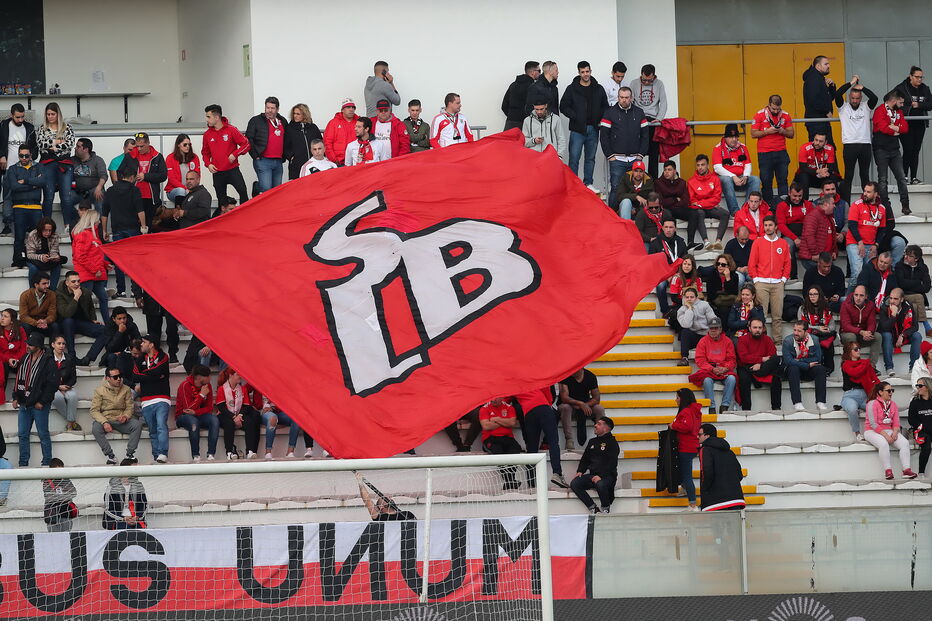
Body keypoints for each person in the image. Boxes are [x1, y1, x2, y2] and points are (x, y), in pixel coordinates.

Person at [101, 157, 146, 298]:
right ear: (132, 177)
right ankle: (134, 290)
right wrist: (143, 227)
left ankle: (121, 290)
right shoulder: (134, 190)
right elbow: (140, 211)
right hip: (133, 229)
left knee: (119, 261)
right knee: (134, 261)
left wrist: (104, 230)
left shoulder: (110, 190)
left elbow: (104, 213)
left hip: (117, 229)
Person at [561, 61, 608, 190]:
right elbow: (563, 106)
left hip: (594, 129)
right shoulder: (572, 88)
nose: (585, 74)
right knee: (574, 158)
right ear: (579, 73)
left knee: (590, 158)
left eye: (587, 71)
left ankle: (588, 184)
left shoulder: (598, 88)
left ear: (590, 71)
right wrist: (575, 116)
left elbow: (605, 106)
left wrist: (600, 119)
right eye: (582, 72)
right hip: (577, 130)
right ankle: (573, 185)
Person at [599, 86, 648, 212]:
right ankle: (612, 216)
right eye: (621, 97)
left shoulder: (639, 112)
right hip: (617, 159)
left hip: (635, 159)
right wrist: (610, 155)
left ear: (631, 98)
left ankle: (635, 216)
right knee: (615, 187)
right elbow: (604, 136)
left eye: (626, 97)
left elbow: (645, 135)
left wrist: (641, 154)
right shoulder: (609, 113)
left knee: (637, 188)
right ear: (618, 97)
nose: (624, 100)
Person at [14, 331, 57, 466]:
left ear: (38, 346)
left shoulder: (48, 361)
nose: (28, 346)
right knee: (22, 435)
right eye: (28, 343)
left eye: (31, 345)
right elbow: (18, 379)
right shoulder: (24, 358)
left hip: (39, 405)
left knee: (43, 434)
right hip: (24, 403)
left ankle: (46, 463)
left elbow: (52, 384)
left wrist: (42, 401)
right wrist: (15, 397)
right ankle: (23, 463)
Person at [835, 76, 878, 204]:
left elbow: (875, 98)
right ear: (849, 97)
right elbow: (837, 94)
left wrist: (862, 88)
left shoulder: (866, 106)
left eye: (857, 98)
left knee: (864, 175)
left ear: (861, 98)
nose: (854, 100)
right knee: (848, 176)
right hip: (849, 145)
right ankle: (846, 205)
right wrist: (851, 83)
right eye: (852, 98)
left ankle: (867, 204)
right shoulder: (843, 107)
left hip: (865, 145)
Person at [749, 215, 791, 342]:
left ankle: (777, 341)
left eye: (770, 225)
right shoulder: (758, 242)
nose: (767, 228)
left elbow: (787, 263)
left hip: (778, 283)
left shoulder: (783, 243)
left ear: (776, 227)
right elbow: (752, 262)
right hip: (761, 283)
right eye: (766, 225)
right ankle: (762, 340)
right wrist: (756, 279)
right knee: (761, 316)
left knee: (777, 315)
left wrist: (783, 279)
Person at [514, 387, 567, 488]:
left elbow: (504, 396)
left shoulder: (514, 382)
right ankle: (557, 473)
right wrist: (548, 403)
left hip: (528, 412)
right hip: (543, 406)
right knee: (553, 442)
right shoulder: (533, 378)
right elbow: (546, 388)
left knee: (532, 448)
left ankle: (531, 481)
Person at [864, 382, 917, 480]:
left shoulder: (893, 404)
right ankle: (888, 471)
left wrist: (895, 433)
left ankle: (906, 470)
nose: (891, 393)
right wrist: (886, 436)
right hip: (871, 431)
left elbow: (896, 422)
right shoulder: (872, 403)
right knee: (883, 444)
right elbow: (873, 424)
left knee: (904, 443)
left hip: (889, 430)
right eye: (888, 391)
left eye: (892, 390)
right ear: (880, 392)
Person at [3, 144, 45, 268]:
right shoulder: (12, 169)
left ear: (31, 155)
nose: (24, 158)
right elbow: (14, 187)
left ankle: (36, 260)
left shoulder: (39, 166)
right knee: (19, 237)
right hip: (19, 207)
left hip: (36, 207)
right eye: (21, 156)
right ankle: (18, 260)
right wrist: (34, 184)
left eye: (26, 156)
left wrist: (25, 181)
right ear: (18, 155)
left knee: (37, 236)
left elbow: (43, 181)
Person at [202, 104, 250, 206]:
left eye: (208, 117)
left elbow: (246, 144)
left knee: (242, 191)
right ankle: (224, 215)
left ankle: (245, 213)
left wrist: (235, 154)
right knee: (221, 200)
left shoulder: (231, 129)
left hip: (232, 170)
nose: (206, 119)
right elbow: (205, 153)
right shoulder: (207, 134)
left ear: (216, 117)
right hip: (217, 172)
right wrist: (208, 164)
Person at [90, 366, 140, 464]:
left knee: (137, 425)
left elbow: (130, 407)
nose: (119, 379)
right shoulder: (99, 390)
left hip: (121, 420)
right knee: (96, 428)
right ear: (107, 378)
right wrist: (104, 422)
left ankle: (129, 454)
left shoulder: (126, 389)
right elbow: (94, 410)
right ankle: (110, 456)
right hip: (106, 419)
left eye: (120, 376)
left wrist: (125, 416)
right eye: (115, 377)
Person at [751, 95, 795, 206]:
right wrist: (767, 132)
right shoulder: (759, 114)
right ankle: (768, 207)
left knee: (783, 180)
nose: (775, 111)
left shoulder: (785, 115)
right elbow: (753, 133)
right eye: (773, 109)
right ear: (769, 105)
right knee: (766, 181)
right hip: (764, 153)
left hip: (781, 152)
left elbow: (791, 134)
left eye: (778, 109)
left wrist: (782, 131)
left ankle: (783, 206)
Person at [872, 90, 911, 215]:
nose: (902, 105)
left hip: (894, 150)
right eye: (901, 102)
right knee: (883, 180)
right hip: (881, 149)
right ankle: (885, 206)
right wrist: (895, 129)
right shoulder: (879, 110)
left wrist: (894, 127)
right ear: (894, 100)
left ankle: (905, 205)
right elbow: (882, 127)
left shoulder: (899, 112)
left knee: (902, 178)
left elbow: (905, 128)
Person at [133, 334, 170, 463]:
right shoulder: (140, 359)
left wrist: (145, 375)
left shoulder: (163, 356)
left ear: (151, 344)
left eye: (144, 342)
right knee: (153, 431)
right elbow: (135, 376)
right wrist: (154, 376)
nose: (141, 344)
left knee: (161, 426)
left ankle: (163, 453)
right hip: (146, 400)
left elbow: (159, 370)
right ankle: (156, 457)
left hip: (161, 398)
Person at [0, 105, 37, 234]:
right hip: (9, 168)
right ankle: (7, 224)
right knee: (8, 196)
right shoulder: (3, 125)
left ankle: (27, 225)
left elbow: (34, 147)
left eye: (22, 117)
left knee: (26, 196)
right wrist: (1, 155)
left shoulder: (29, 128)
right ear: (11, 115)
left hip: (25, 168)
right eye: (18, 117)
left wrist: (32, 156)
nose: (21, 120)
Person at [56, 271, 106, 365]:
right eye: (73, 281)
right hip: (65, 324)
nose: (77, 284)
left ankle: (88, 358)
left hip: (81, 323)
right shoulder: (59, 294)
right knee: (68, 321)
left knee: (105, 330)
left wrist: (93, 319)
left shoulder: (85, 291)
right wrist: (76, 297)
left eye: (78, 281)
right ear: (67, 283)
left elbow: (90, 307)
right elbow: (66, 314)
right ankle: (72, 356)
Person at [689, 317, 737, 414]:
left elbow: (732, 359)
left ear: (720, 329)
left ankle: (725, 406)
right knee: (707, 381)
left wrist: (725, 368)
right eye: (711, 328)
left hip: (723, 369)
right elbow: (700, 359)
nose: (713, 330)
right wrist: (712, 369)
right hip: (709, 370)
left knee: (732, 379)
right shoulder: (703, 341)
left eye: (716, 328)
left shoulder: (727, 341)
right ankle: (711, 407)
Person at [35, 102, 75, 221]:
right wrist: (57, 141)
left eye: (53, 114)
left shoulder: (67, 127)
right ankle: (46, 224)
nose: (50, 116)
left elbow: (70, 144)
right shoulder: (42, 128)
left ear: (58, 114)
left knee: (66, 197)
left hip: (64, 163)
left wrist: (54, 147)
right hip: (47, 164)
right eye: (48, 114)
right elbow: (41, 144)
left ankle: (68, 225)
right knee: (48, 196)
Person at [571, 417, 619, 514]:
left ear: (606, 428)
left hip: (607, 476)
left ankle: (605, 508)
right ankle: (593, 507)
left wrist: (601, 476)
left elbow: (612, 463)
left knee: (600, 484)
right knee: (575, 483)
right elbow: (585, 458)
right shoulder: (592, 442)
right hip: (592, 476)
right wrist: (580, 471)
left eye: (599, 424)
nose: (595, 425)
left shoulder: (612, 443)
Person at [627, 64, 667, 178]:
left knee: (654, 153)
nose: (646, 82)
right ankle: (635, 179)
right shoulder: (634, 83)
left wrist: (659, 119)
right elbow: (630, 102)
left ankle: (652, 181)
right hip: (639, 119)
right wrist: (632, 118)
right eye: (644, 80)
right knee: (637, 152)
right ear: (641, 75)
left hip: (653, 121)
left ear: (654, 76)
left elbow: (664, 103)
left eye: (649, 80)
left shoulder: (659, 84)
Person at [712, 124, 761, 214]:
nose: (734, 139)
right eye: (731, 137)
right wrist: (733, 176)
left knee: (755, 179)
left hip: (741, 178)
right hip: (726, 181)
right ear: (725, 137)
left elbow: (748, 164)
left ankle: (747, 210)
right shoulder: (718, 148)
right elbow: (717, 168)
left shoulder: (742, 147)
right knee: (726, 180)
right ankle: (735, 212)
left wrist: (746, 176)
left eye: (735, 137)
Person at [845, 181, 885, 291]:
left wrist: (876, 245)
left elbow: (882, 230)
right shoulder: (856, 205)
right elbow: (852, 225)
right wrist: (860, 242)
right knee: (857, 273)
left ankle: (864, 299)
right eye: (865, 191)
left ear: (876, 194)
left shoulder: (882, 208)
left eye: (868, 192)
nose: (865, 194)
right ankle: (849, 299)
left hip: (871, 245)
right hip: (854, 243)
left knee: (869, 275)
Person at [70, 204, 108, 320]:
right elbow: (80, 256)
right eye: (97, 220)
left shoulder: (93, 234)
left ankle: (108, 324)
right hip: (87, 273)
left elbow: (95, 254)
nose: (99, 222)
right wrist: (95, 269)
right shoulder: (83, 234)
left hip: (96, 273)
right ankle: (88, 323)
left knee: (104, 298)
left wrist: (105, 264)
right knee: (86, 301)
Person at [736, 317, 782, 412]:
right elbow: (744, 357)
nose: (757, 330)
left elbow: (772, 355)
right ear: (749, 328)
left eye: (760, 328)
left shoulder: (767, 339)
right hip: (748, 368)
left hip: (763, 367)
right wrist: (761, 359)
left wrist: (760, 364)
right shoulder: (742, 340)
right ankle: (746, 409)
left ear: (763, 328)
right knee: (743, 377)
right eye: (755, 327)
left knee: (776, 361)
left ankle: (776, 408)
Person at [698, 423, 746, 511]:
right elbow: (739, 474)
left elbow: (706, 472)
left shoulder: (705, 450)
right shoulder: (729, 451)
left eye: (700, 434)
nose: (697, 437)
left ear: (707, 436)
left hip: (715, 502)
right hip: (736, 498)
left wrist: (705, 490)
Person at [896, 66, 932, 184]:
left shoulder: (925, 88)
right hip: (906, 123)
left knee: (916, 150)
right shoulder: (902, 87)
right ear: (910, 76)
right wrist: (907, 105)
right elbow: (890, 100)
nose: (919, 79)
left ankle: (914, 177)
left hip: (920, 123)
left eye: (921, 77)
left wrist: (919, 105)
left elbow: (930, 104)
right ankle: (904, 177)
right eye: (917, 77)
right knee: (908, 149)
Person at [783, 319, 828, 412]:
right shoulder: (788, 341)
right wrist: (806, 365)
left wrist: (800, 360)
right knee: (793, 368)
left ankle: (820, 402)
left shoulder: (814, 339)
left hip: (808, 369)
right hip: (794, 370)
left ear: (806, 332)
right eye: (794, 330)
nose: (796, 333)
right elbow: (788, 361)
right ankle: (797, 403)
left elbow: (818, 358)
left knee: (820, 369)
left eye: (799, 331)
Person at [215, 367, 261, 460]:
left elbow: (247, 406)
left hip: (239, 415)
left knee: (249, 422)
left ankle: (250, 451)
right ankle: (229, 452)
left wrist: (239, 415)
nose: (240, 376)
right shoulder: (222, 389)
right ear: (231, 375)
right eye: (238, 374)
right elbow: (221, 407)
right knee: (229, 423)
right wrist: (233, 417)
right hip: (225, 415)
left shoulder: (242, 389)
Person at [175, 364, 218, 462]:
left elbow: (209, 408)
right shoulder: (185, 385)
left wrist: (196, 412)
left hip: (198, 415)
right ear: (199, 377)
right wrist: (201, 395)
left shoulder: (207, 386)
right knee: (193, 422)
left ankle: (211, 454)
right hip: (182, 417)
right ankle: (196, 455)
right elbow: (187, 409)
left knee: (214, 420)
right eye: (207, 376)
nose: (210, 378)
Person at [244, 96, 287, 194]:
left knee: (276, 190)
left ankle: (271, 205)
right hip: (263, 160)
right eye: (267, 108)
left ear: (277, 109)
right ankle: (257, 187)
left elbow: (287, 139)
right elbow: (248, 138)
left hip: (278, 161)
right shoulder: (256, 120)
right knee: (266, 188)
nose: (269, 110)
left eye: (272, 108)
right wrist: (255, 155)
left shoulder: (283, 121)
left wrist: (285, 155)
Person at [669, 388, 702, 511]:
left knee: (687, 476)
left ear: (683, 398)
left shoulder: (686, 411)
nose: (676, 400)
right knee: (683, 471)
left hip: (686, 447)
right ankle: (683, 488)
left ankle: (693, 504)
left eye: (677, 397)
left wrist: (673, 425)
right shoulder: (694, 411)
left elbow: (687, 426)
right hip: (691, 446)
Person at [478, 397, 522, 489]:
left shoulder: (509, 407)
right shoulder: (484, 408)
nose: (493, 400)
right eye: (491, 398)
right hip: (490, 439)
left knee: (516, 449)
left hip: (507, 438)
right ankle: (510, 480)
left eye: (495, 398)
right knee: (498, 451)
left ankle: (509, 481)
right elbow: (486, 426)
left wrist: (496, 419)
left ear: (501, 397)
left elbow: (512, 423)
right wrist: (504, 422)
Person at [878, 288, 923, 378]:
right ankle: (889, 368)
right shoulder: (884, 307)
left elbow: (915, 326)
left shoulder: (908, 306)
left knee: (917, 336)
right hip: (889, 335)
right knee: (886, 335)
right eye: (891, 298)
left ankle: (913, 368)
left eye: (895, 299)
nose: (892, 301)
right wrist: (893, 315)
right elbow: (884, 328)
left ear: (902, 299)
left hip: (903, 335)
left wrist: (903, 335)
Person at [687, 154, 728, 251]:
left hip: (710, 208)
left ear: (708, 165)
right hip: (702, 209)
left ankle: (718, 241)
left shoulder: (715, 179)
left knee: (725, 214)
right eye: (698, 165)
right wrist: (707, 203)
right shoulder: (691, 181)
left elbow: (716, 198)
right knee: (698, 213)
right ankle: (706, 241)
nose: (700, 167)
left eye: (703, 165)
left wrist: (701, 203)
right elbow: (693, 201)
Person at [655, 160, 699, 249]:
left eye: (669, 170)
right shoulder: (658, 182)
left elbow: (685, 200)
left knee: (694, 213)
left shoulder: (682, 182)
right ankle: (671, 243)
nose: (666, 172)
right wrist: (675, 199)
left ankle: (690, 242)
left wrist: (671, 203)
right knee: (668, 214)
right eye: (665, 170)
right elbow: (661, 202)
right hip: (666, 210)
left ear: (674, 171)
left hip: (678, 208)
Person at [648, 218, 688, 316]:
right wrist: (667, 276)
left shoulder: (681, 242)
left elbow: (685, 260)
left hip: (678, 272)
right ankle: (665, 311)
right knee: (661, 286)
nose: (668, 230)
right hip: (662, 274)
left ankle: (686, 309)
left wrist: (678, 273)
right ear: (662, 228)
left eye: (671, 227)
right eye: (666, 227)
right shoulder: (655, 243)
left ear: (675, 228)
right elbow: (652, 264)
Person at [558, 367, 605, 451]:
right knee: (566, 407)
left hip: (586, 405)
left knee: (599, 409)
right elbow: (564, 398)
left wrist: (585, 405)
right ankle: (569, 440)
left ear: (581, 368)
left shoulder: (590, 376)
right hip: (570, 405)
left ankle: (601, 438)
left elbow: (596, 398)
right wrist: (580, 404)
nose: (572, 371)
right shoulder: (565, 375)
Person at [840, 341, 878, 442]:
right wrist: (866, 363)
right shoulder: (846, 364)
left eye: (859, 349)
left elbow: (874, 378)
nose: (858, 351)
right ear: (849, 351)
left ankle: (878, 431)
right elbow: (854, 373)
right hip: (850, 395)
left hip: (865, 395)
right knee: (852, 409)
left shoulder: (864, 363)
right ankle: (857, 433)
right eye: (855, 349)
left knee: (877, 408)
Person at [127, 133, 167, 226]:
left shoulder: (157, 156)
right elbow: (121, 172)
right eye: (137, 146)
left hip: (150, 197)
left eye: (142, 146)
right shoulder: (130, 156)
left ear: (148, 143)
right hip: (134, 195)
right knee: (134, 224)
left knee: (149, 224)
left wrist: (146, 176)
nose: (139, 149)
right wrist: (130, 178)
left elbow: (163, 176)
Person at [775, 183, 812, 279]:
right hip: (789, 236)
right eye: (794, 196)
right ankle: (792, 276)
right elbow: (781, 225)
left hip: (805, 235)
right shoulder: (782, 206)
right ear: (789, 193)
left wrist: (804, 238)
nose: (797, 198)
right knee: (788, 246)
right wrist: (795, 239)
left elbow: (811, 224)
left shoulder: (808, 205)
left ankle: (813, 275)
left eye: (800, 196)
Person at [799, 285, 837, 375]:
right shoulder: (802, 309)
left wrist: (827, 329)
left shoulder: (826, 309)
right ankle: (816, 367)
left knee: (828, 343)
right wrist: (817, 328)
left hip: (824, 334)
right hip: (808, 333)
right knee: (815, 340)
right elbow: (801, 325)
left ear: (820, 295)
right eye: (810, 294)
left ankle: (828, 368)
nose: (812, 296)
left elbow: (832, 326)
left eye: (815, 294)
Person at [840, 285, 881, 368]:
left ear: (866, 297)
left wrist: (869, 332)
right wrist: (861, 332)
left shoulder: (870, 305)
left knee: (877, 336)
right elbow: (846, 325)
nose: (858, 298)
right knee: (851, 336)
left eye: (861, 295)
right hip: (847, 334)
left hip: (862, 335)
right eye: (856, 295)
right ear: (853, 294)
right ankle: (855, 365)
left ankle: (871, 366)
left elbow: (872, 323)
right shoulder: (846, 304)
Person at [896, 245, 931, 336]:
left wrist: (909, 285)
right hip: (903, 295)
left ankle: (911, 332)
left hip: (914, 298)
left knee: (914, 306)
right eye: (905, 254)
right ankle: (927, 326)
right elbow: (901, 284)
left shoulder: (923, 267)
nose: (906, 257)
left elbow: (927, 287)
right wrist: (918, 283)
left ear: (916, 259)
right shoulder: (899, 266)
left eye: (910, 256)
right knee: (919, 297)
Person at [676, 287, 716, 367]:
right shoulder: (681, 310)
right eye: (687, 297)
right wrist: (689, 309)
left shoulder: (704, 305)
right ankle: (684, 358)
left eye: (692, 297)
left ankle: (712, 360)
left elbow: (712, 319)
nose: (689, 299)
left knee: (714, 331)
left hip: (706, 335)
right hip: (694, 336)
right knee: (684, 332)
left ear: (696, 297)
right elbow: (686, 325)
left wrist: (711, 331)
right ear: (684, 298)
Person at [103, 459, 148, 530]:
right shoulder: (112, 486)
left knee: (140, 531)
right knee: (125, 529)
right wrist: (124, 518)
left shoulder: (138, 485)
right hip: (117, 520)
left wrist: (137, 517)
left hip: (135, 520)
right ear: (125, 469)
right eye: (134, 468)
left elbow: (144, 505)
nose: (137, 471)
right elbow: (108, 509)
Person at [47, 334, 79, 431]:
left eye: (63, 344)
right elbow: (45, 377)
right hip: (51, 387)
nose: (61, 346)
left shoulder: (69, 358)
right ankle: (72, 422)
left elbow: (73, 377)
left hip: (66, 386)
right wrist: (58, 387)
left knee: (73, 396)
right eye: (59, 343)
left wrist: (68, 386)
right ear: (53, 345)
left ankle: (69, 424)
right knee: (57, 398)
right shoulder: (47, 358)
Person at [802, 55, 836, 144]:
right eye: (826, 64)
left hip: (820, 121)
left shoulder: (819, 78)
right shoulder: (814, 79)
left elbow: (828, 99)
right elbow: (813, 100)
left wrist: (832, 87)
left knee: (827, 148)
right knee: (820, 148)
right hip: (817, 121)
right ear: (818, 66)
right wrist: (826, 110)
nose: (828, 66)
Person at [798, 196, 838, 272]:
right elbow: (809, 237)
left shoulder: (829, 217)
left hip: (824, 258)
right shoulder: (813, 216)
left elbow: (831, 235)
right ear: (826, 204)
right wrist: (816, 254)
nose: (834, 206)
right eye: (833, 203)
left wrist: (834, 251)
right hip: (813, 258)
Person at [794, 132, 840, 199]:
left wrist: (825, 172)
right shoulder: (805, 147)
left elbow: (831, 167)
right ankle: (805, 203)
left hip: (821, 176)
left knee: (833, 177)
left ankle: (835, 201)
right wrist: (818, 171)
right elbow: (803, 168)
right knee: (803, 175)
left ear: (825, 142)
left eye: (821, 141)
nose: (817, 143)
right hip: (807, 176)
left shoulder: (830, 148)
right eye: (816, 140)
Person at [283, 103, 322, 180]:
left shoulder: (313, 128)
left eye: (298, 114)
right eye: (294, 113)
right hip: (296, 166)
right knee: (297, 186)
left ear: (304, 115)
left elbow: (320, 143)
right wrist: (291, 157)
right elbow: (285, 146)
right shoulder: (289, 129)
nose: (295, 116)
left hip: (314, 165)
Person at [25, 217, 65, 288]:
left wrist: (54, 257)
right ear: (40, 229)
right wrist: (41, 257)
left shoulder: (54, 235)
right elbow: (30, 254)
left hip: (48, 258)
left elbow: (54, 251)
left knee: (57, 266)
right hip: (34, 259)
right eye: (45, 230)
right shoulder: (32, 235)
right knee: (33, 268)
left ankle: (52, 290)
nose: (48, 233)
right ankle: (32, 290)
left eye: (50, 230)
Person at [502, 61, 540, 131]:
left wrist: (513, 115)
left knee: (509, 139)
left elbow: (504, 106)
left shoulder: (513, 85)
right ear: (533, 72)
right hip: (526, 124)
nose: (540, 73)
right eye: (539, 71)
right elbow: (535, 106)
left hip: (511, 123)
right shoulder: (533, 87)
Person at [71, 137, 107, 210]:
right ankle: (73, 218)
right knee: (67, 198)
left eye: (78, 147)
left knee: (100, 197)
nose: (75, 148)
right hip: (77, 192)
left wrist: (99, 187)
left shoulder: (97, 160)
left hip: (94, 191)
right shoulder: (72, 160)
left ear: (86, 149)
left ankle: (100, 217)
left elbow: (103, 175)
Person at [18, 271, 57, 339]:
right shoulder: (25, 295)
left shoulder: (52, 294)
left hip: (45, 324)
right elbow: (23, 316)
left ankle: (53, 346)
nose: (47, 286)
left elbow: (52, 314)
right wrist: (36, 323)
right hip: (31, 324)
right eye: (44, 284)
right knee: (25, 326)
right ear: (36, 285)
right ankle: (27, 345)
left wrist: (45, 321)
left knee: (55, 326)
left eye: (48, 283)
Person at [43, 458, 77, 532]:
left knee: (66, 533)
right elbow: (49, 497)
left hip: (65, 511)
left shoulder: (66, 480)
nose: (59, 472)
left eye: (61, 470)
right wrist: (65, 494)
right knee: (53, 535)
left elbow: (73, 493)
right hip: (52, 512)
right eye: (57, 470)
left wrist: (58, 496)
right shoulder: (47, 481)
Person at [164, 134, 200, 205]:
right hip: (174, 190)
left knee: (203, 192)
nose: (187, 146)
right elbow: (171, 179)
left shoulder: (194, 157)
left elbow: (197, 176)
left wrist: (191, 189)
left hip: (190, 189)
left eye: (189, 144)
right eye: (185, 144)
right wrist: (185, 188)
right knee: (181, 191)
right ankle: (179, 211)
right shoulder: (170, 158)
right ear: (178, 145)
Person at [0, 309, 26, 405]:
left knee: (24, 365)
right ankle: (2, 395)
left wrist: (16, 359)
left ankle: (18, 396)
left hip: (17, 359)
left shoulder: (20, 330)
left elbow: (24, 348)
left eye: (5, 316)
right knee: (3, 366)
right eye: (2, 316)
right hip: (4, 359)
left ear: (12, 321)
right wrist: (8, 359)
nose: (2, 318)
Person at [323, 98, 360, 166]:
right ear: (342, 110)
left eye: (353, 107)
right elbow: (327, 143)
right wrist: (334, 159)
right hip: (339, 162)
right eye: (348, 107)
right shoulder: (333, 123)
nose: (351, 109)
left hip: (356, 162)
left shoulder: (359, 122)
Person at [705, 254, 740, 322]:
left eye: (723, 264)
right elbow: (711, 294)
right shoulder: (712, 275)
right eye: (718, 264)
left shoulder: (734, 276)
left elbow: (734, 292)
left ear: (729, 266)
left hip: (730, 302)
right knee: (724, 310)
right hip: (716, 303)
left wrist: (728, 278)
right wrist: (724, 293)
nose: (720, 266)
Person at [908, 377, 932, 476]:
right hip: (921, 431)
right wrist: (923, 426)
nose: (918, 387)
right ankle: (921, 472)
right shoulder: (915, 402)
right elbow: (911, 420)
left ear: (928, 387)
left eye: (920, 385)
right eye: (917, 385)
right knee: (926, 445)